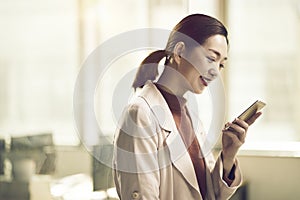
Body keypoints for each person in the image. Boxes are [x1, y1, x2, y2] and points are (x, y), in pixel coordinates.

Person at [112, 14, 262, 200]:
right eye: (210, 58)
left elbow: (208, 193)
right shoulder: (140, 114)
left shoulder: (188, 115)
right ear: (180, 51)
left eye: (221, 64)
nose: (216, 72)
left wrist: (228, 155)